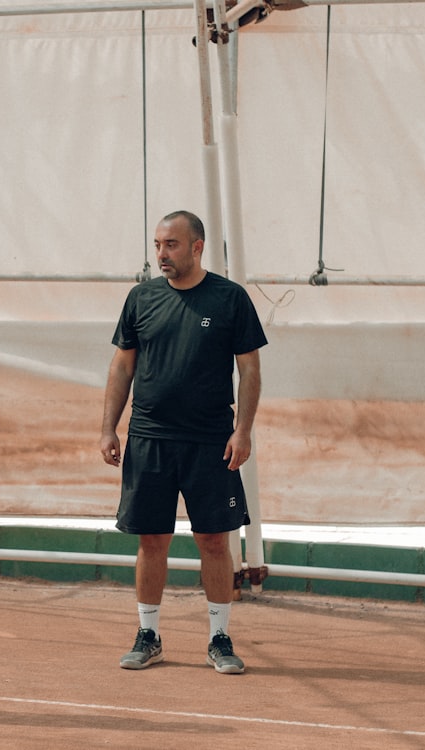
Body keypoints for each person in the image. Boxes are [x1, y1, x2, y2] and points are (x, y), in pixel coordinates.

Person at [100, 210, 266, 675]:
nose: (161, 255)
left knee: (214, 539)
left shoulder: (230, 299)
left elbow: (249, 370)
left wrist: (243, 430)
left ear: (197, 247)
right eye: (157, 245)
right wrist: (107, 427)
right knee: (152, 540)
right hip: (149, 438)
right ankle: (148, 635)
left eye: (170, 245)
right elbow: (121, 368)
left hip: (212, 441)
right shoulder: (141, 298)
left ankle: (219, 638)